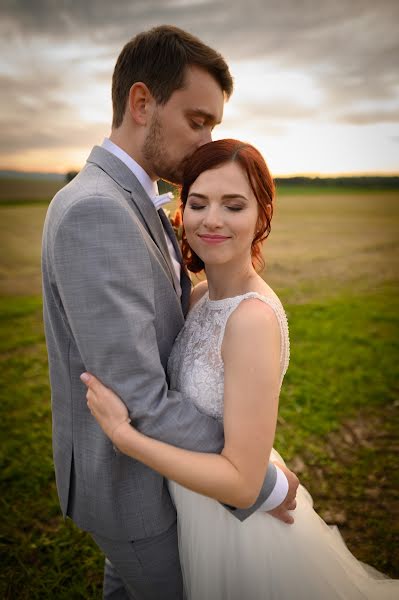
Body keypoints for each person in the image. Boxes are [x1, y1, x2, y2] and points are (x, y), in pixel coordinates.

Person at [41, 26, 299, 600]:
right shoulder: (97, 211)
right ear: (141, 104)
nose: (207, 138)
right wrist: (253, 477)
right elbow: (138, 395)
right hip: (131, 487)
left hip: (163, 481)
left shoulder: (138, 200)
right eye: (198, 120)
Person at [83, 139, 398, 599]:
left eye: (233, 205)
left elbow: (243, 483)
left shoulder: (251, 320)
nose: (211, 219)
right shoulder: (197, 298)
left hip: (235, 536)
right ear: (182, 211)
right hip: (186, 514)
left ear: (261, 215)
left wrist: (125, 437)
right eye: (198, 203)